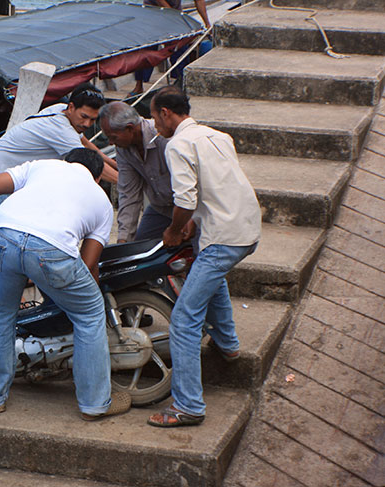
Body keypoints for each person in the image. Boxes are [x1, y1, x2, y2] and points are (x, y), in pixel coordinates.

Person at [0, 148, 131, 421]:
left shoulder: (41, 166)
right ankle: (94, 403)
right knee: (89, 315)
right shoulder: (102, 202)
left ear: (65, 161)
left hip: (0, 235)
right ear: (98, 176)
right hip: (51, 250)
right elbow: (88, 263)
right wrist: (84, 297)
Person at [145, 87, 261, 427]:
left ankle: (188, 406)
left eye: (154, 117)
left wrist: (173, 230)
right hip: (245, 227)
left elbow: (185, 198)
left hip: (224, 237)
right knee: (210, 279)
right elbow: (220, 186)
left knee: (183, 320)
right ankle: (228, 345)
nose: (155, 124)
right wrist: (195, 224)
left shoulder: (178, 144)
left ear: (166, 113)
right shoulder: (217, 136)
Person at [0, 82, 118, 209]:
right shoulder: (61, 129)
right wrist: (124, 181)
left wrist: (115, 164)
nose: (87, 124)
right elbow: (88, 160)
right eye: (84, 117)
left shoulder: (61, 109)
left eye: (93, 120)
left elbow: (84, 142)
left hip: (6, 173)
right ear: (72, 107)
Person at [99, 101, 174, 243]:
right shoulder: (123, 149)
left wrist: (178, 228)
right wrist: (123, 240)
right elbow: (129, 194)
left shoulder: (164, 138)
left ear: (129, 128)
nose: (110, 143)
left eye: (113, 137)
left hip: (189, 208)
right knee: (136, 249)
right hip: (161, 208)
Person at [129, 0, 211, 97]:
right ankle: (139, 86)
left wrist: (207, 23)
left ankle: (181, 84)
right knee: (145, 52)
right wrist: (176, 17)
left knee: (180, 52)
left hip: (175, 13)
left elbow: (199, 1)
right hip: (152, 14)